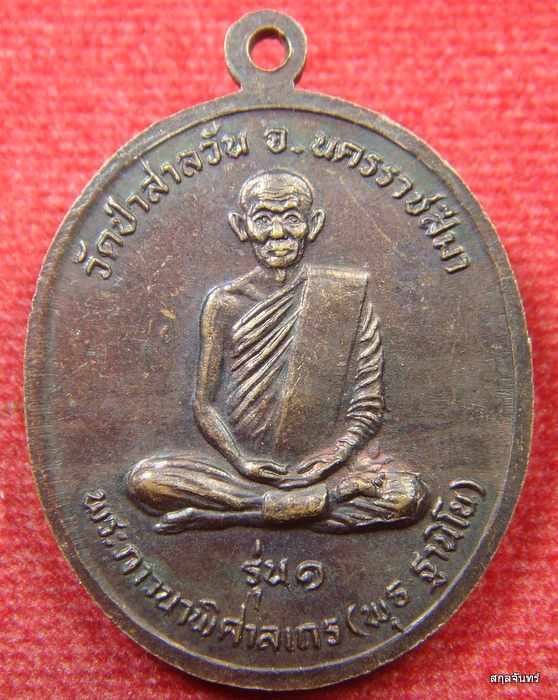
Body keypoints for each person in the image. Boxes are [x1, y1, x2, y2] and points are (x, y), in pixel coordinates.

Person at [126, 170, 428, 532]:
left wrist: (333, 456)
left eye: (291, 219)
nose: (278, 233)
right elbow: (204, 405)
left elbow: (368, 405)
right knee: (147, 480)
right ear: (242, 227)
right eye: (263, 219)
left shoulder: (344, 297)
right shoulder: (225, 302)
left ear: (313, 225)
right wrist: (242, 461)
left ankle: (229, 513)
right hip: (242, 472)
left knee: (407, 496)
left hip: (326, 469)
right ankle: (301, 505)